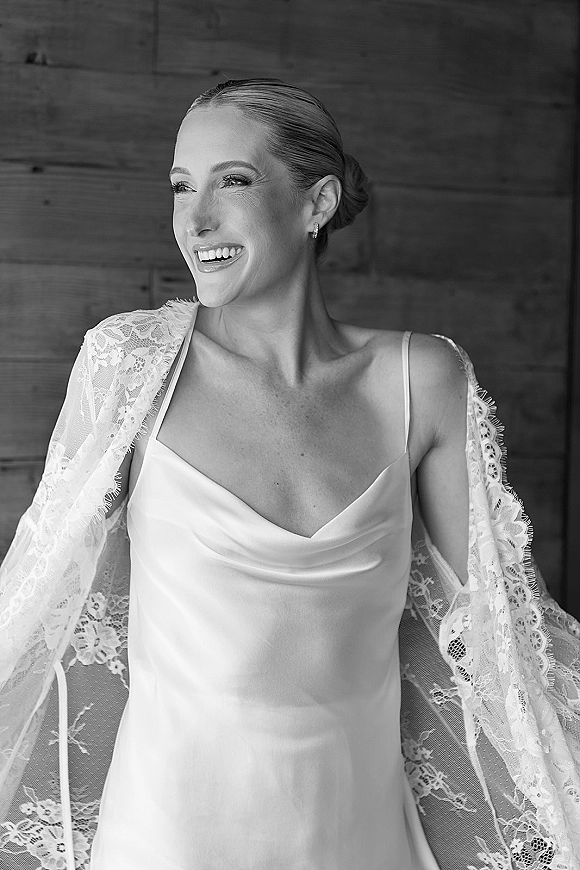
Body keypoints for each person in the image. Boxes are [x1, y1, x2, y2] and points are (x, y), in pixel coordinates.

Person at [0, 79, 579, 870]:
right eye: (180, 188)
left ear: (317, 204)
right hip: (169, 836)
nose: (195, 219)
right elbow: (35, 597)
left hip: (361, 836)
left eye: (231, 181)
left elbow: (501, 637)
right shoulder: (132, 365)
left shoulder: (422, 381)